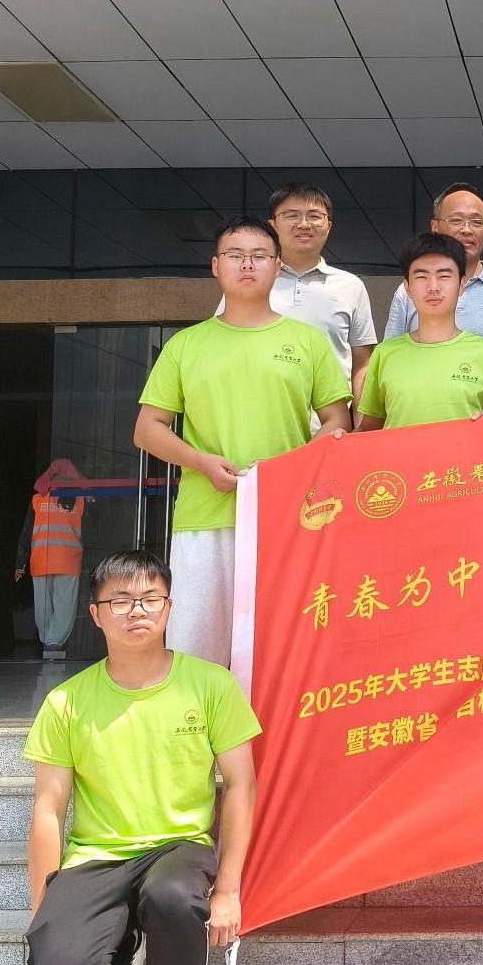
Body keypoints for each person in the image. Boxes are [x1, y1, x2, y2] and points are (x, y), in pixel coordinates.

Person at [21, 549, 262, 965]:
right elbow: (49, 808)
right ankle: (122, 955)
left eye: (150, 598)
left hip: (179, 848)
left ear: (169, 607)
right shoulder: (67, 701)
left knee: (173, 897)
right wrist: (45, 911)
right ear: (96, 614)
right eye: (121, 601)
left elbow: (241, 785)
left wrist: (229, 888)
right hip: (97, 856)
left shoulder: (210, 685)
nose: (137, 610)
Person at [135, 217, 351, 668]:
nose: (247, 265)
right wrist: (201, 462)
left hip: (289, 519)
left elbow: (337, 421)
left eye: (259, 256)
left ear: (277, 266)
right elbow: (148, 428)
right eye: (235, 255)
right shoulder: (185, 345)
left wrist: (289, 473)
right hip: (204, 519)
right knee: (198, 653)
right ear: (216, 266)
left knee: (284, 651)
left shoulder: (307, 343)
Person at [384, 182, 483, 386]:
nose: (467, 229)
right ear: (435, 227)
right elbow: (391, 358)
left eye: (476, 222)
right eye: (456, 220)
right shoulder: (411, 290)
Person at [357, 233, 483, 430]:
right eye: (421, 276)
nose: (433, 287)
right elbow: (368, 429)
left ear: (461, 285)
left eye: (444, 276)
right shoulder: (384, 354)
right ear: (407, 287)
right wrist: (337, 440)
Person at [260, 181, 379, 403]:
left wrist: (359, 421)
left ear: (328, 226)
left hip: (333, 420)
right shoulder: (253, 280)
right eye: (292, 215)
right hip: (265, 413)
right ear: (273, 225)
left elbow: (362, 364)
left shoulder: (351, 286)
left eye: (314, 216)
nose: (304, 224)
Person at [14, 458, 88, 660]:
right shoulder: (79, 500)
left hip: (42, 562)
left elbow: (26, 533)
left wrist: (19, 562)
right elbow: (89, 534)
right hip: (66, 562)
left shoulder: (38, 500)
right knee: (63, 606)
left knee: (43, 607)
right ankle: (54, 644)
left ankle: (49, 642)